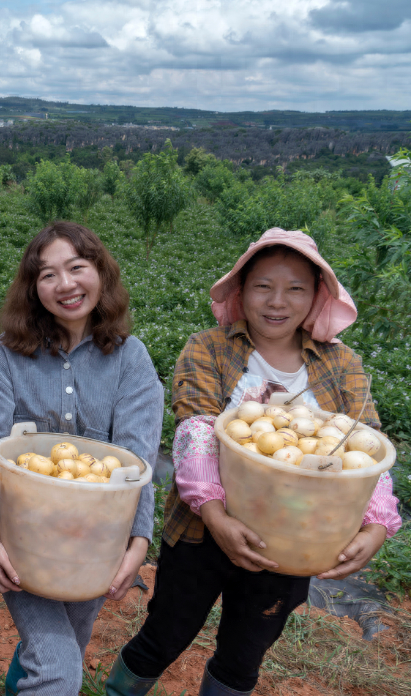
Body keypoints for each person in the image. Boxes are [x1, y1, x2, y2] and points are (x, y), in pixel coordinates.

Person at [107, 228, 402, 696]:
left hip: (290, 542)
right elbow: (197, 431)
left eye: (295, 288)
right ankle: (120, 689)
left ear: (316, 297)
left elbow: (366, 446)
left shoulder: (341, 365)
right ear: (241, 291)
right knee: (165, 635)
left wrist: (378, 524)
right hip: (202, 533)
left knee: (245, 654)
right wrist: (217, 515)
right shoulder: (209, 348)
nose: (277, 301)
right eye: (263, 285)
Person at [0, 222, 162, 695]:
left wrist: (137, 544)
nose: (66, 285)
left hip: (95, 545)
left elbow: (139, 461)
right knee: (59, 669)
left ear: (101, 273)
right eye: (48, 275)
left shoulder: (130, 360)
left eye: (77, 268)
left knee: (66, 646)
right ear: (33, 290)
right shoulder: (6, 357)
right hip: (23, 544)